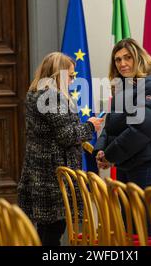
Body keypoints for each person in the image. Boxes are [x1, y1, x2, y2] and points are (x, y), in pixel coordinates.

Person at [17, 52, 103, 246]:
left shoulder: (37, 93)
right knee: (52, 230)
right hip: (52, 174)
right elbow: (66, 136)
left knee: (48, 229)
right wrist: (90, 126)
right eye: (71, 76)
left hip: (42, 170)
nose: (73, 80)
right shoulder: (51, 97)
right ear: (58, 74)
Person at [93, 38, 151, 190]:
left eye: (127, 57)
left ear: (139, 57)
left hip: (143, 160)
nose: (122, 63)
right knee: (127, 213)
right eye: (118, 60)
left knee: (142, 213)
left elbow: (140, 129)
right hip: (125, 158)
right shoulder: (124, 85)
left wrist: (109, 155)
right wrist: (101, 149)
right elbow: (111, 124)